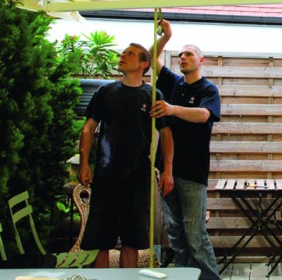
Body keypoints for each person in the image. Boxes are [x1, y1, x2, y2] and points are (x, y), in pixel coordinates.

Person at [78, 43, 174, 268]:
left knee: (132, 242)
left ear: (143, 64)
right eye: (123, 53)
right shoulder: (105, 92)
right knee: (101, 242)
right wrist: (84, 163)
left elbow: (166, 133)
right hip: (105, 177)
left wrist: (168, 169)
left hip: (137, 179)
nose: (122, 56)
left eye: (129, 54)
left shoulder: (152, 95)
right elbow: (88, 128)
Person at [150, 19, 222, 280]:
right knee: (176, 234)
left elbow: (204, 115)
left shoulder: (208, 89)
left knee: (195, 237)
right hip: (167, 172)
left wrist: (172, 109)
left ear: (200, 61)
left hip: (192, 172)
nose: (182, 57)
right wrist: (165, 38)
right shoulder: (174, 84)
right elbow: (150, 58)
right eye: (179, 54)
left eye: (188, 53)